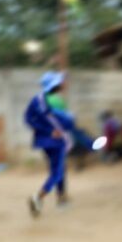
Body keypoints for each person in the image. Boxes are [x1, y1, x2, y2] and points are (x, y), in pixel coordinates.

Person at [24, 71, 77, 217]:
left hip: (43, 142)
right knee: (57, 172)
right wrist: (52, 131)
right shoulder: (56, 100)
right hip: (56, 141)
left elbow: (28, 119)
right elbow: (64, 123)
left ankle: (62, 197)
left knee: (58, 169)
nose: (63, 83)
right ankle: (38, 197)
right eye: (60, 81)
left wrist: (45, 131)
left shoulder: (37, 100)